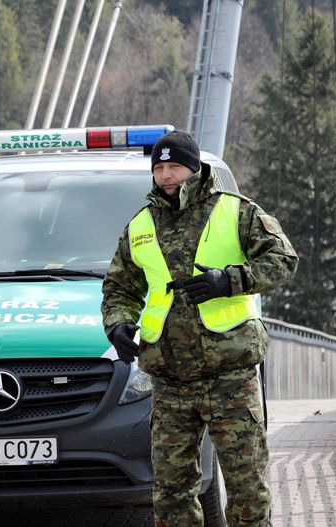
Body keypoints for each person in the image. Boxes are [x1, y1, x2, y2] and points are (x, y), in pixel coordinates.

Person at [101, 131, 297, 526]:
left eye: (174, 166)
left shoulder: (235, 211)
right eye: (159, 168)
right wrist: (118, 324)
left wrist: (231, 280)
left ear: (194, 168)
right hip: (170, 381)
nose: (166, 175)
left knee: (246, 488)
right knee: (171, 494)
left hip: (230, 376)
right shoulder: (140, 225)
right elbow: (120, 287)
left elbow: (283, 259)